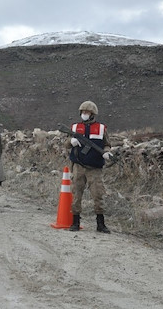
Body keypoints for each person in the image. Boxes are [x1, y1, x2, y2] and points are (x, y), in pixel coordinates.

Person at [65, 100, 112, 233]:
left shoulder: (101, 128)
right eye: (83, 112)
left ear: (93, 114)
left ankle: (100, 224)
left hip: (95, 167)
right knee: (76, 194)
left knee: (98, 194)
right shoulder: (74, 127)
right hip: (78, 166)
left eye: (87, 112)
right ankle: (75, 222)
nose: (84, 114)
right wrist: (71, 141)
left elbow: (107, 144)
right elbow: (66, 144)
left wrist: (107, 153)